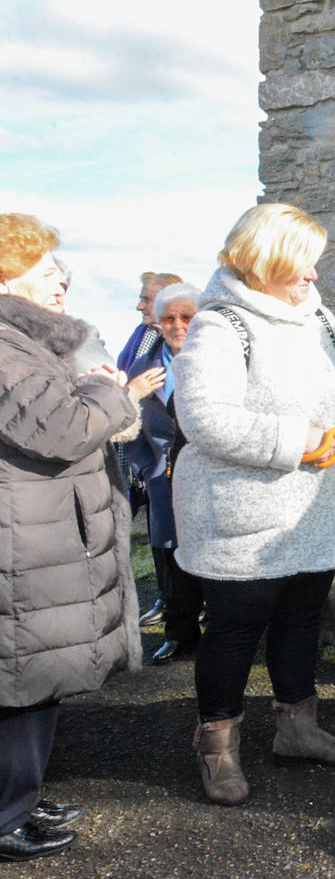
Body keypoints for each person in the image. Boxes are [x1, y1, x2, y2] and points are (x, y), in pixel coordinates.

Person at [172, 203, 335, 805]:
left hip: (311, 512)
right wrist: (302, 442)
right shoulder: (221, 325)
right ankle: (217, 749)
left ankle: (298, 730)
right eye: (304, 267)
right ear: (265, 263)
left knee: (298, 622)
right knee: (235, 633)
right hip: (242, 518)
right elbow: (205, 419)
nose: (315, 278)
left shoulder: (320, 319)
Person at [0, 214, 139, 863]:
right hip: (21, 543)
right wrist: (106, 390)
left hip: (39, 535)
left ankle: (22, 796)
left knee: (37, 679)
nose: (61, 277)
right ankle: (7, 815)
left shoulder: (26, 342)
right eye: (44, 266)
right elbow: (59, 428)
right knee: (18, 683)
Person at [126, 282, 203, 663]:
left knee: (209, 554)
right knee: (170, 559)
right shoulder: (145, 364)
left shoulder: (215, 359)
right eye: (169, 318)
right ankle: (180, 635)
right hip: (163, 478)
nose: (177, 325)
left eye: (186, 317)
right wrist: (145, 465)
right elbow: (132, 423)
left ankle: (224, 634)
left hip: (207, 478)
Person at [118, 270, 184, 628]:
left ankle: (194, 604)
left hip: (190, 459)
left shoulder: (198, 339)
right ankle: (170, 602)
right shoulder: (143, 340)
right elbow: (123, 379)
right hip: (154, 460)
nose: (139, 304)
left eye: (146, 298)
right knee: (163, 534)